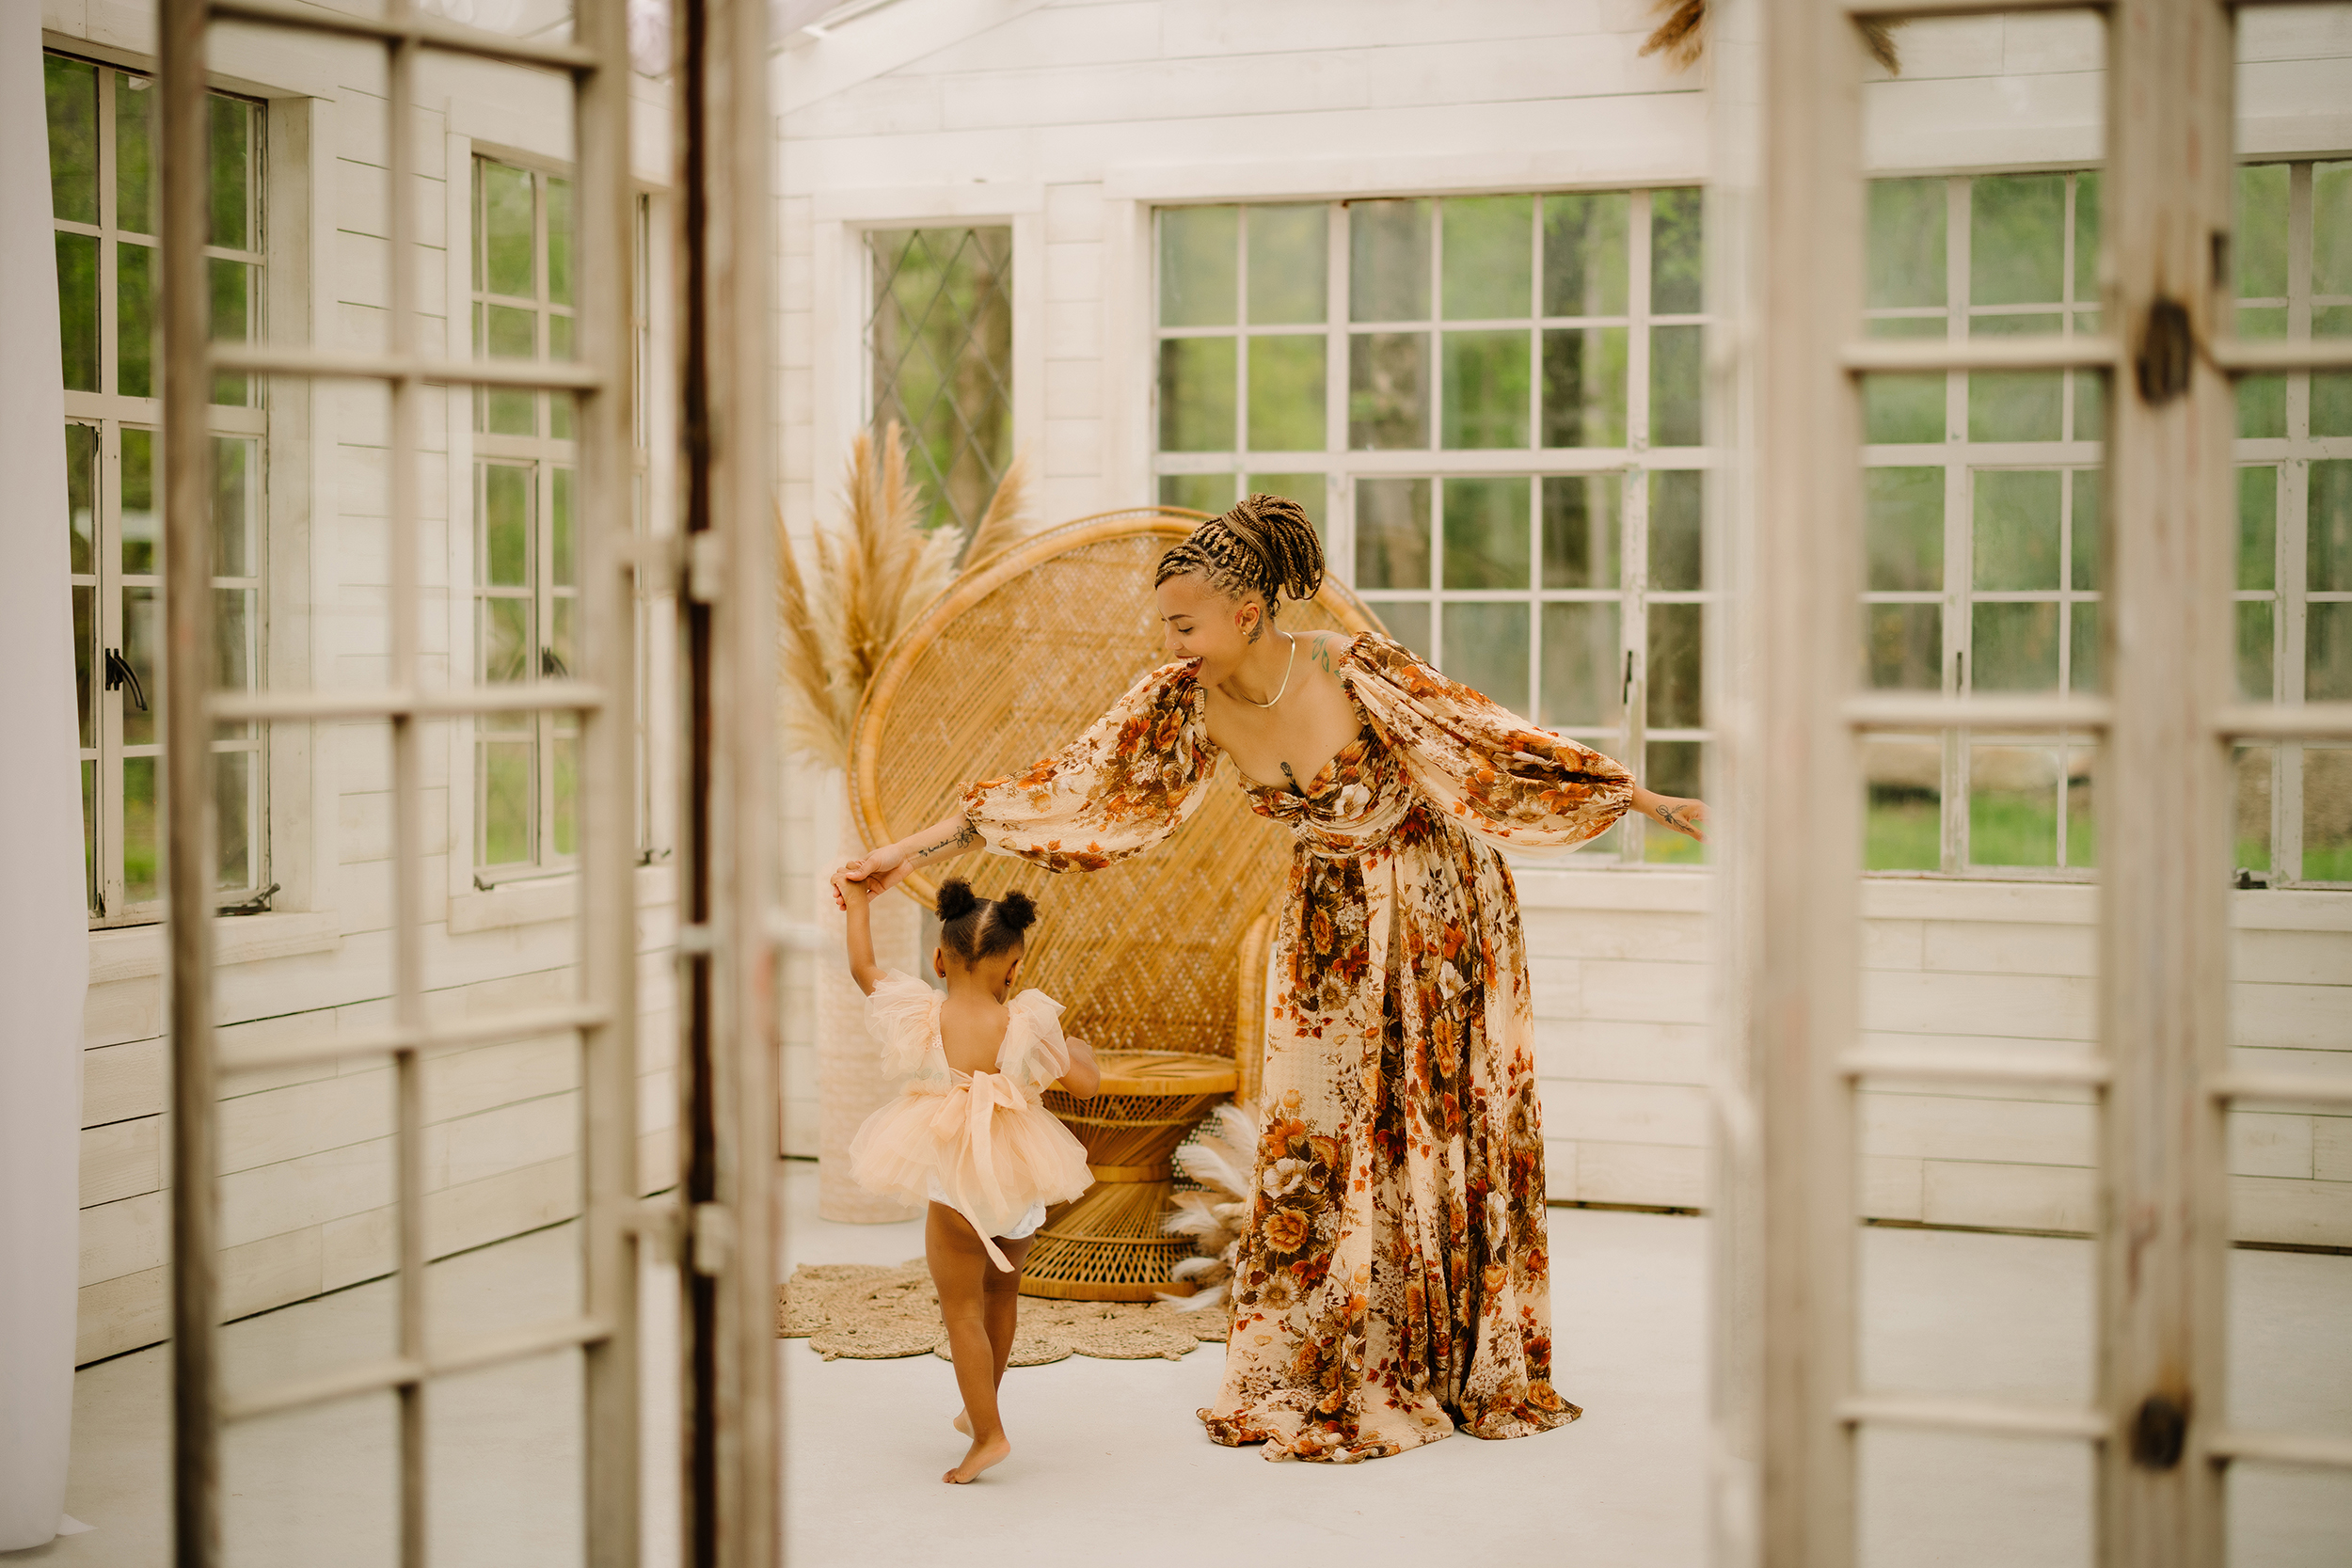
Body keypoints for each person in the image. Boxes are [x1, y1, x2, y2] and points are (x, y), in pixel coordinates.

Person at [834, 493, 1706, 1464]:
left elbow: (1488, 740)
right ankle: (1334, 1352)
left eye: (1184, 621)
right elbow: (1061, 786)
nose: (1171, 639)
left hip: (1434, 908)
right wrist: (899, 851)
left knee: (1433, 1120)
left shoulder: (1349, 666)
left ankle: (1444, 1353)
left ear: (1246, 614)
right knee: (1320, 1132)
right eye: (1167, 622)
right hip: (1327, 915)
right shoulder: (1181, 701)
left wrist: (1640, 797)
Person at [835, 872, 1101, 1483]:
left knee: (960, 1310)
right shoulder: (1027, 1022)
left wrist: (856, 902)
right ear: (1013, 970)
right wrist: (1074, 1047)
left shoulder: (923, 1014)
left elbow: (863, 966)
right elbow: (1085, 1082)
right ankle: (980, 1404)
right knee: (1000, 1296)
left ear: (938, 958)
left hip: (956, 1175)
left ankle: (988, 1434)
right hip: (1019, 1171)